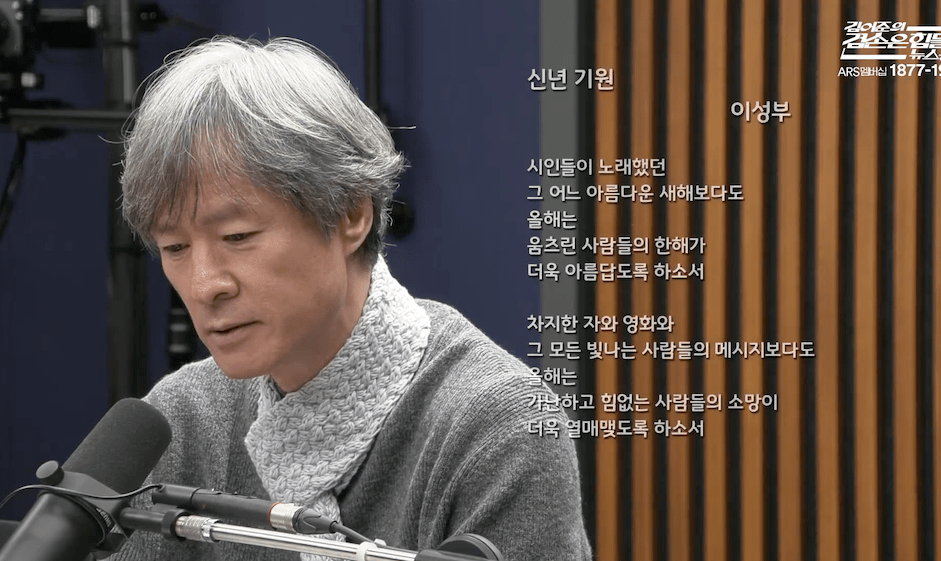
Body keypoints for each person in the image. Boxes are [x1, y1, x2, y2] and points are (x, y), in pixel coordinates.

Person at [107, 36, 591, 561]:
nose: (204, 285)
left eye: (237, 236)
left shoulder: (496, 425)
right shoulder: (182, 417)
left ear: (350, 215)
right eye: (175, 248)